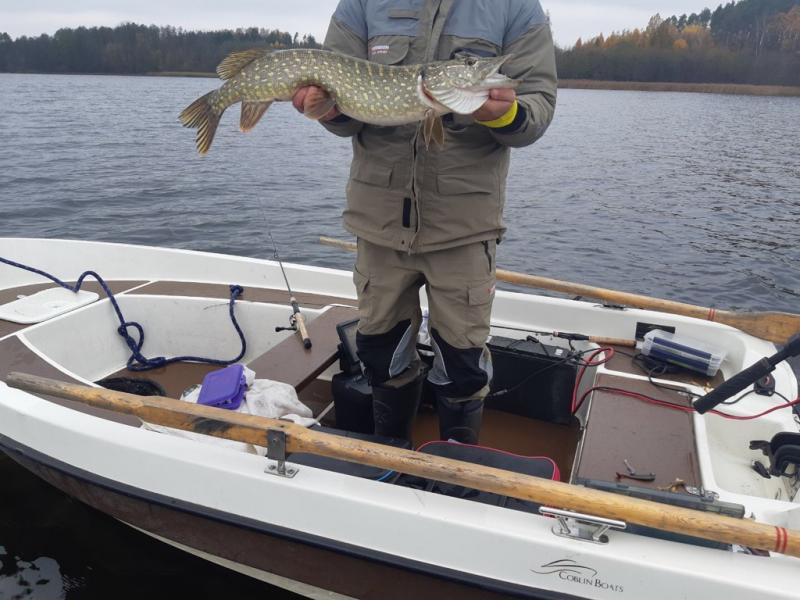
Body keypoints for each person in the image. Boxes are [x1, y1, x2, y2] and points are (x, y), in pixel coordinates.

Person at [293, 0, 557, 444]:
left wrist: (507, 114)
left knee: (463, 363)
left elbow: (538, 106)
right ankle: (392, 455)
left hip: (464, 225)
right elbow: (341, 114)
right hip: (379, 221)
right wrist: (327, 109)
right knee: (381, 353)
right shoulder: (362, 4)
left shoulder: (515, 7)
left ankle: (454, 468)